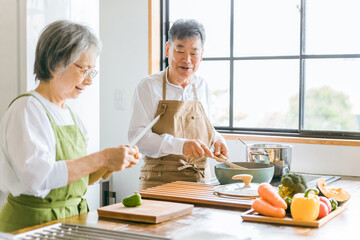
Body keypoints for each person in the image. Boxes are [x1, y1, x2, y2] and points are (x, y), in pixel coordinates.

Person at [0, 20, 140, 232]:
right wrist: (102, 158)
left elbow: (76, 179)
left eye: (92, 71)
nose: (89, 81)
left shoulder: (72, 115)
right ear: (55, 64)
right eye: (84, 70)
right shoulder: (27, 109)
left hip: (72, 221)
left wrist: (108, 165)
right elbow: (38, 178)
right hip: (33, 224)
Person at [128, 19, 228, 190]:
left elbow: (208, 128)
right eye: (180, 51)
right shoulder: (148, 86)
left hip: (200, 181)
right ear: (168, 49)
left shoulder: (203, 86)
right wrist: (181, 145)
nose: (187, 60)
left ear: (201, 55)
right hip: (158, 182)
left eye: (194, 53)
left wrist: (217, 140)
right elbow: (137, 139)